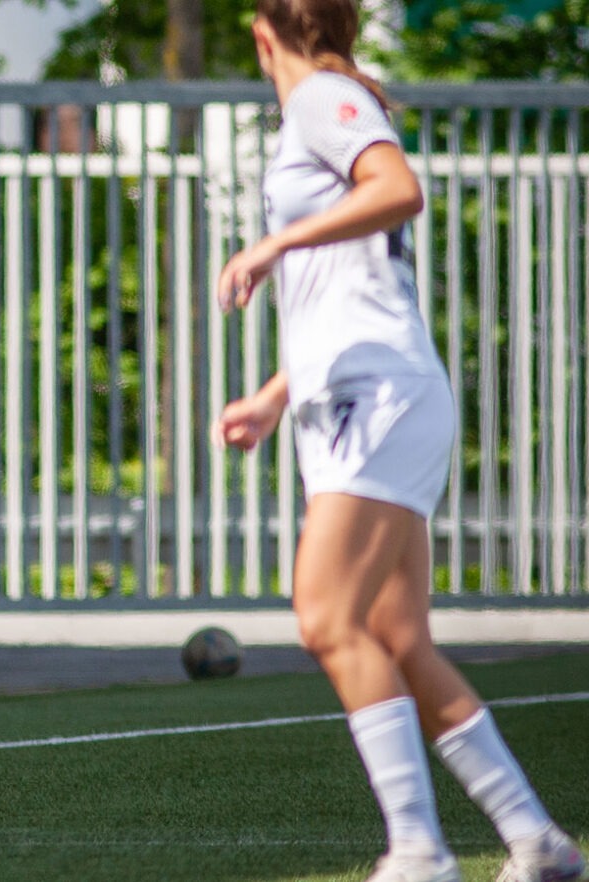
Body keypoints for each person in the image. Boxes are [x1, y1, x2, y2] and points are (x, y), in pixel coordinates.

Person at [213, 2, 586, 881]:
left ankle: (418, 849)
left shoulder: (320, 99)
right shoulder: (323, 107)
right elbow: (348, 293)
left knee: (326, 617)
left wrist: (271, 243)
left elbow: (397, 187)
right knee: (398, 635)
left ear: (265, 36)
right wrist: (273, 397)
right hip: (368, 392)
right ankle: (535, 840)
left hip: (375, 399)